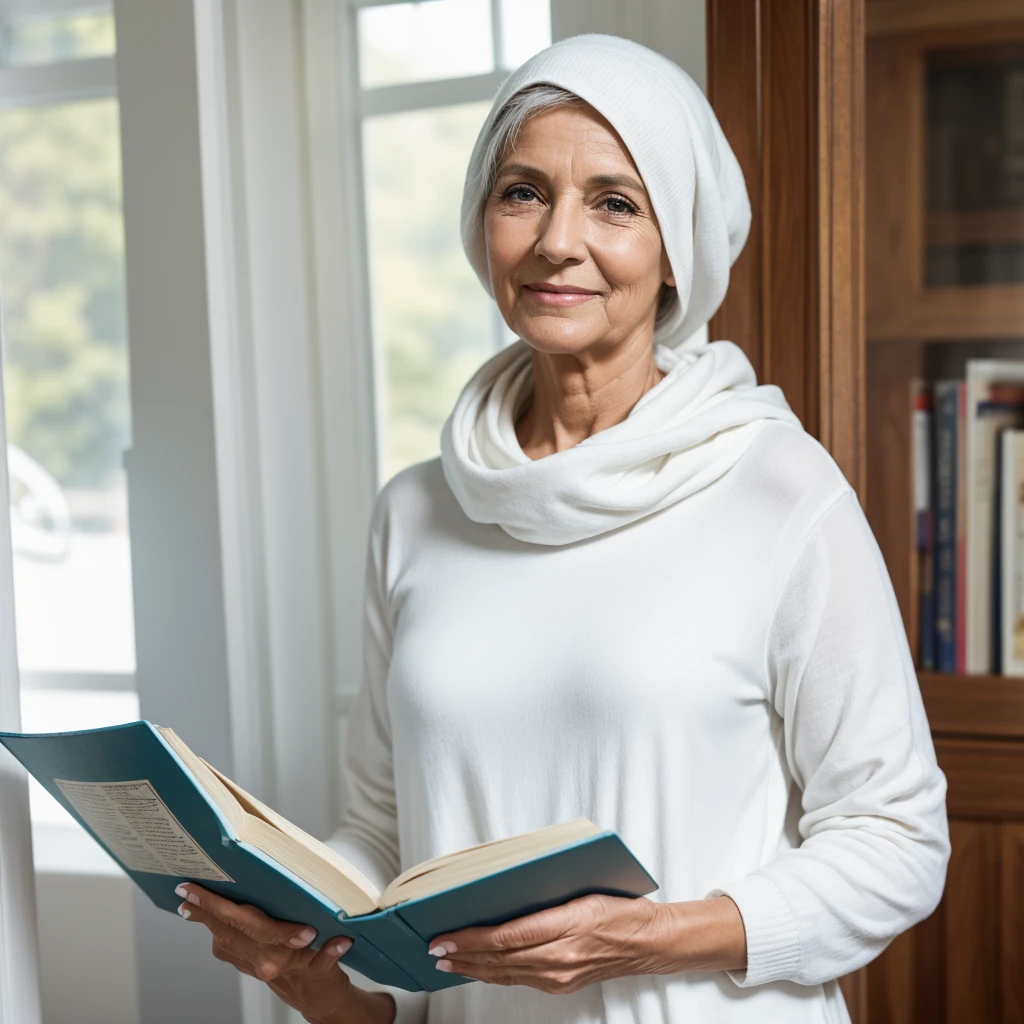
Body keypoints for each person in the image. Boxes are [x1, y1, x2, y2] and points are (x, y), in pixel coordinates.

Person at [173, 33, 950, 1024]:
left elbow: (898, 842)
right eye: (522, 192)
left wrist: (649, 934)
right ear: (481, 223)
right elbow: (380, 829)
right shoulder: (415, 511)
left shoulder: (778, 489)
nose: (555, 240)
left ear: (678, 249)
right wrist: (302, 946)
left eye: (615, 203)